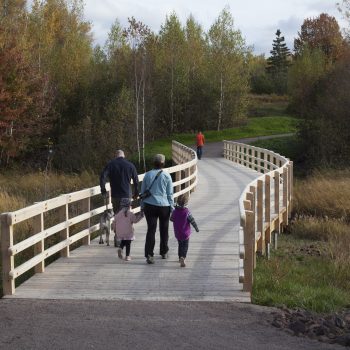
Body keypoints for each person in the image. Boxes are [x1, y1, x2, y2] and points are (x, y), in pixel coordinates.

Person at [141, 154, 174, 264]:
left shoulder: (147, 175)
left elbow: (143, 193)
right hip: (164, 206)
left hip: (149, 205)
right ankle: (164, 251)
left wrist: (142, 207)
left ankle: (149, 254)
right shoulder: (167, 176)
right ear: (163, 163)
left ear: (153, 163)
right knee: (164, 229)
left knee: (151, 230)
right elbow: (170, 194)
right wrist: (172, 207)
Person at [100, 150, 139, 214]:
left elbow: (102, 177)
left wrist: (103, 190)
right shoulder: (130, 165)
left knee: (117, 216)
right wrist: (136, 193)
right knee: (126, 216)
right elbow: (136, 180)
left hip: (115, 196)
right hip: (126, 195)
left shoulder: (110, 164)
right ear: (124, 156)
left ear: (116, 156)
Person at [170, 193, 199, 267]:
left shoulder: (175, 211)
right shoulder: (187, 212)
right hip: (185, 233)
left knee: (180, 245)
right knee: (185, 246)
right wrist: (196, 228)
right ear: (186, 203)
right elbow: (192, 221)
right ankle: (183, 257)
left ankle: (180, 257)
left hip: (177, 233)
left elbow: (171, 219)